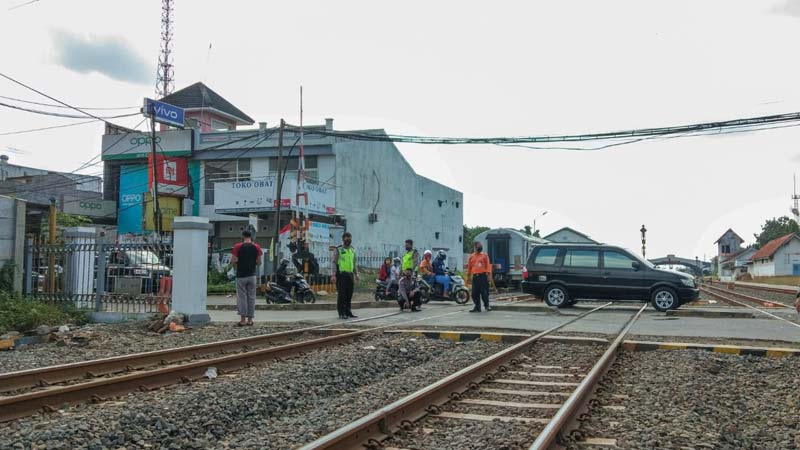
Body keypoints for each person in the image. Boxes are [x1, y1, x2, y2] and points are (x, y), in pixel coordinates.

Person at [231, 230, 262, 326]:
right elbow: (259, 262)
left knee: (242, 298)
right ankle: (250, 320)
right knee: (251, 297)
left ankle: (242, 320)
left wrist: (236, 267)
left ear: (242, 236)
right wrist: (252, 265)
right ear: (251, 237)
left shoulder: (237, 246)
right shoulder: (256, 247)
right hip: (252, 275)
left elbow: (233, 260)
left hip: (241, 276)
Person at [331, 232, 359, 319]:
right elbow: (334, 262)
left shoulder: (352, 250)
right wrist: (333, 274)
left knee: (349, 294)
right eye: (346, 239)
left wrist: (356, 274)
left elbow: (354, 263)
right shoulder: (338, 249)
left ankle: (348, 311)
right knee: (342, 294)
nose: (348, 240)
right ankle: (341, 313)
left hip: (350, 275)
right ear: (343, 239)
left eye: (349, 238)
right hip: (341, 275)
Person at [467, 241, 492, 312]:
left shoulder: (485, 255)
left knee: (484, 292)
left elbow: (488, 266)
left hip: (483, 276)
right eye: (478, 246)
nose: (480, 247)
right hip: (475, 277)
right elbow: (469, 267)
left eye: (480, 245)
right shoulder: (472, 256)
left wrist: (488, 275)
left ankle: (487, 306)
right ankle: (477, 307)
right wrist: (468, 277)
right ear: (475, 247)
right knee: (474, 293)